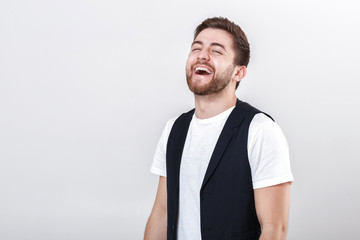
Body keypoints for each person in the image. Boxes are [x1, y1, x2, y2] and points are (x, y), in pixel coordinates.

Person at [144, 17, 294, 240]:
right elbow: (162, 212)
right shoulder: (174, 129)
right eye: (196, 48)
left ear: (239, 73)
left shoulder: (261, 131)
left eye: (217, 51)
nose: (202, 55)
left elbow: (274, 229)